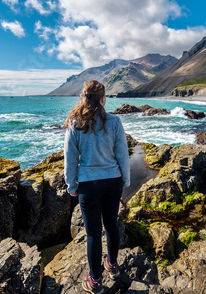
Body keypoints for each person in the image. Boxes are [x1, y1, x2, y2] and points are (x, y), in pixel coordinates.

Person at [64, 80, 130, 294]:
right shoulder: (114, 121)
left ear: (84, 97)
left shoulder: (75, 123)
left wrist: (71, 185)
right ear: (103, 98)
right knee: (111, 225)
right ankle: (112, 264)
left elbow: (70, 159)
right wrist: (125, 180)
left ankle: (95, 282)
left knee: (93, 234)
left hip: (88, 185)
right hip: (113, 182)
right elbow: (122, 155)